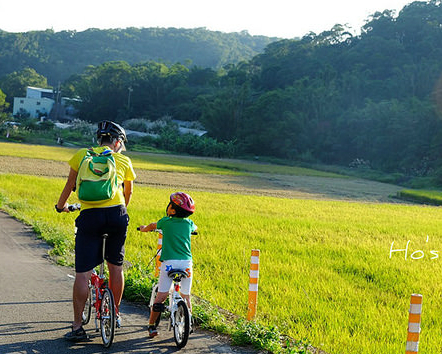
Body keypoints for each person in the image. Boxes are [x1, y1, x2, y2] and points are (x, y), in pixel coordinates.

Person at [55, 120, 136, 341]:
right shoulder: (123, 160)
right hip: (117, 216)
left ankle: (77, 326)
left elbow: (69, 185)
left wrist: (61, 206)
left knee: (82, 273)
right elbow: (127, 193)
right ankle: (115, 314)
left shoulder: (82, 155)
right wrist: (121, 211)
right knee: (115, 268)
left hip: (90, 217)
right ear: (117, 142)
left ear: (99, 139)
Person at [138, 192, 197, 338]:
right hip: (186, 263)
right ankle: (189, 323)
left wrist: (144, 228)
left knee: (161, 296)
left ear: (172, 210)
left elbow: (152, 226)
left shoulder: (165, 222)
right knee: (186, 295)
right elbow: (195, 228)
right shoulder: (189, 224)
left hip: (169, 263)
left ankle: (152, 326)